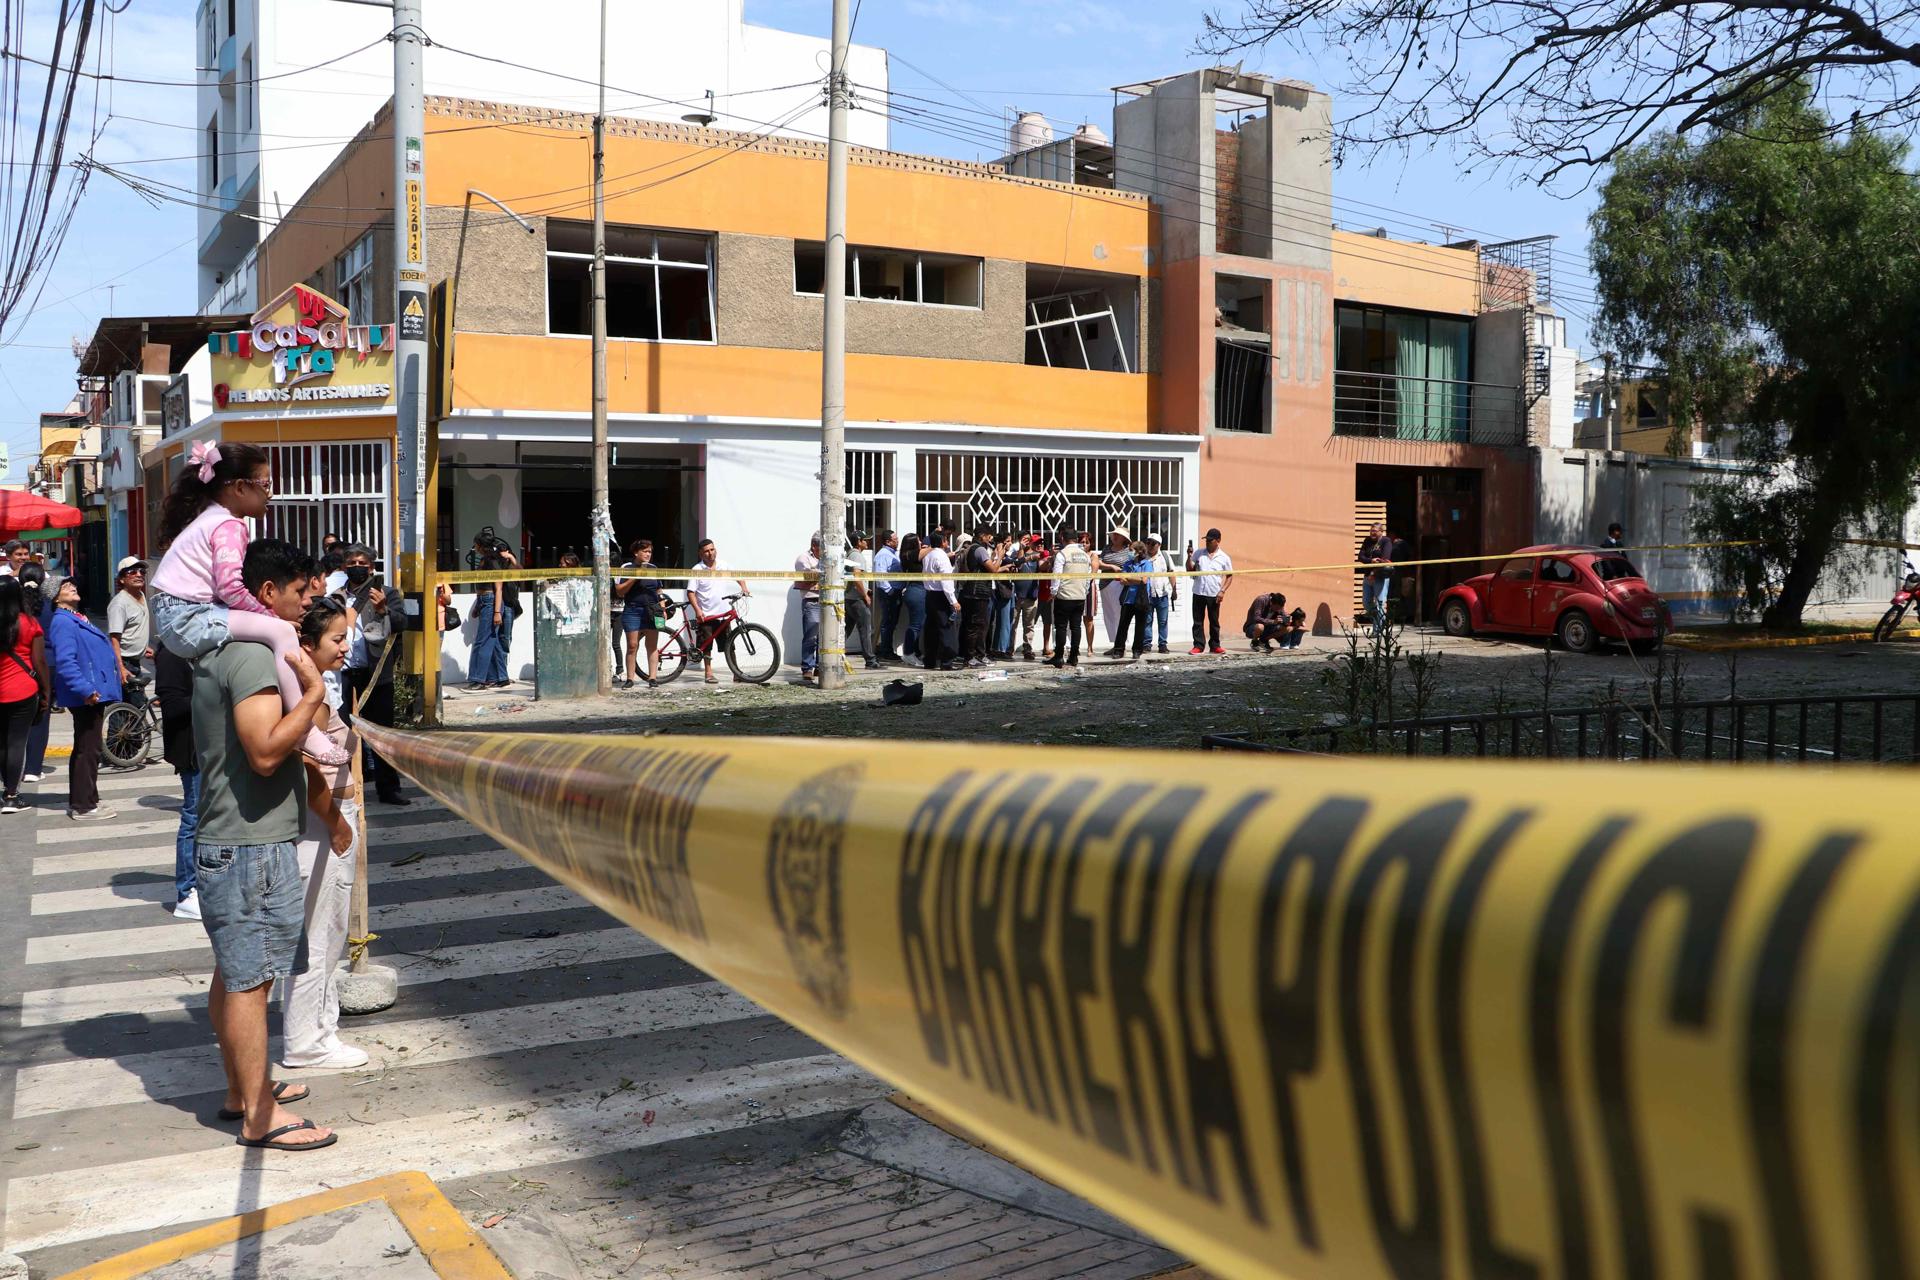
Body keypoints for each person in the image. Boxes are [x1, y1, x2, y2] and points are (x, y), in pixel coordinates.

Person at [192, 538, 335, 1151]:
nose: (310, 603)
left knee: (235, 973)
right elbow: (268, 751)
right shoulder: (252, 656)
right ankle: (258, 1115)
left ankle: (241, 1090)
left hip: (242, 838)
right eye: (302, 592)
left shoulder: (234, 648)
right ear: (266, 593)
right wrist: (312, 696)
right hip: (247, 845)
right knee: (252, 981)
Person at [146, 441, 343, 766]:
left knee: (275, 630)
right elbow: (230, 586)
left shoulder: (210, 518)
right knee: (280, 632)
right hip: (189, 617)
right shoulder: (229, 526)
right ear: (239, 487)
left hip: (180, 615)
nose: (270, 493)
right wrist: (268, 616)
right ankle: (305, 730)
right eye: (265, 484)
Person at [281, 595, 369, 1070]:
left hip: (329, 819)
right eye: (336, 639)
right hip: (323, 822)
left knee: (328, 935)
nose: (344, 647)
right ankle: (306, 1042)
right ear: (307, 643)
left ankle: (321, 1030)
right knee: (320, 937)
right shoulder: (307, 699)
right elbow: (307, 766)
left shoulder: (310, 689)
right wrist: (336, 824)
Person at [47, 579, 120, 821]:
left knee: (89, 747)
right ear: (56, 598)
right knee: (88, 748)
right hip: (87, 695)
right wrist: (85, 689)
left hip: (93, 691)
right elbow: (66, 663)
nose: (73, 588)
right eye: (66, 588)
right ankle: (83, 805)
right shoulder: (62, 621)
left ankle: (89, 798)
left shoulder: (75, 617)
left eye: (72, 585)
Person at [338, 545, 406, 804]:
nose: (357, 566)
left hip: (376, 672)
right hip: (344, 672)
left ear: (371, 566)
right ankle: (345, 787)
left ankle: (388, 788)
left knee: (381, 732)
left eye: (362, 562)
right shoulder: (337, 596)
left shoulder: (387, 593)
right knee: (342, 731)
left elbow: (403, 623)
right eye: (352, 561)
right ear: (345, 567)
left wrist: (383, 610)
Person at [154, 645, 203, 918]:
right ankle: (186, 891)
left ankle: (201, 883)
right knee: (193, 818)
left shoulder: (195, 651)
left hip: (205, 749)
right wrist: (211, 696)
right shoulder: (172, 655)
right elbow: (172, 706)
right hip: (191, 751)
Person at [0, 577, 48, 814]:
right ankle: (11, 794)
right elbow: (39, 661)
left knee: (2, 743)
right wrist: (46, 691)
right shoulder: (28, 623)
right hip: (23, 689)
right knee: (17, 742)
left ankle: (5, 789)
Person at [687, 538, 750, 685]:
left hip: (723, 614)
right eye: (706, 551)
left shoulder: (723, 565)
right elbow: (691, 592)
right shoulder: (697, 570)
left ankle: (736, 673)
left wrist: (744, 587)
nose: (710, 553)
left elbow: (737, 575)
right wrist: (697, 610)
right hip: (707, 614)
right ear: (700, 554)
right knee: (706, 646)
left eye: (712, 549)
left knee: (729, 644)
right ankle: (708, 674)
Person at [466, 537, 520, 689]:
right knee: (493, 641)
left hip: (490, 601)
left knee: (482, 641)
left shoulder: (492, 561)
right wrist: (478, 604)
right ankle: (501, 677)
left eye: (476, 544)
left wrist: (497, 611)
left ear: (481, 546)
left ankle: (479, 679)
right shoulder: (485, 560)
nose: (474, 547)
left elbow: (499, 587)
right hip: (485, 600)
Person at [16, 564, 53, 784]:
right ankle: (33, 767)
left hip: (20, 667)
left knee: (17, 719)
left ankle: (14, 767)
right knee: (42, 716)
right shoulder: (51, 606)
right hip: (50, 664)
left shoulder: (13, 607)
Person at [615, 539, 665, 688]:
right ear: (636, 552)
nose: (648, 554)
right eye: (645, 551)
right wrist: (635, 576)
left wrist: (662, 608)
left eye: (650, 551)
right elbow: (620, 591)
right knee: (632, 645)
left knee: (652, 644)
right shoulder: (626, 567)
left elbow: (659, 590)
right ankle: (630, 678)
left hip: (653, 609)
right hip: (633, 610)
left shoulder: (653, 568)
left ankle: (653, 678)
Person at [105, 556, 154, 692]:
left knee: (135, 707)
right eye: (132, 572)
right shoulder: (119, 604)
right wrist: (121, 667)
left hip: (135, 661)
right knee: (134, 706)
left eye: (142, 572)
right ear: (122, 579)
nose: (139, 575)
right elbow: (114, 639)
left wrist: (143, 646)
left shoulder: (141, 595)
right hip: (125, 662)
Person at [1049, 530, 1093, 668]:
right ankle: (1074, 657)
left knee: (1061, 627)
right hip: (1079, 596)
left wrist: (1053, 592)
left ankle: (1059, 657)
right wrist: (1084, 591)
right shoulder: (1085, 556)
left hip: (1064, 596)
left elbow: (1057, 576)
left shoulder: (1062, 554)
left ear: (1062, 538)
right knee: (1076, 627)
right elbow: (1088, 576)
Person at [1188, 528, 1234, 654]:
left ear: (1218, 541)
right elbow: (1190, 569)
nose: (1207, 542)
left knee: (1214, 621)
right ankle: (1198, 645)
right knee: (1197, 621)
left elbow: (1229, 576)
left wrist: (1222, 591)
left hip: (1214, 593)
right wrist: (1189, 556)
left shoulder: (1224, 557)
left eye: (1210, 540)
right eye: (1206, 540)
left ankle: (1215, 645)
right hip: (1198, 592)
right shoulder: (1199, 553)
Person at [920, 529, 960, 671]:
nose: (947, 542)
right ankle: (946, 661)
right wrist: (953, 600)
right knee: (946, 629)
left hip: (930, 595)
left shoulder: (928, 555)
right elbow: (946, 581)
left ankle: (930, 660)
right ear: (942, 542)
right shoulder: (941, 556)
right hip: (941, 595)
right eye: (946, 540)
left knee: (931, 629)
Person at [958, 524, 996, 667]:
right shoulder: (979, 549)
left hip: (969, 591)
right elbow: (992, 569)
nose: (990, 539)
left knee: (973, 625)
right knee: (975, 626)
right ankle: (970, 657)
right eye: (988, 536)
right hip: (977, 592)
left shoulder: (969, 548)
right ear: (982, 536)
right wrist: (1000, 555)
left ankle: (976, 655)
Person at [1111, 540, 1156, 658]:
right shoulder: (1128, 564)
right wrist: (1138, 579)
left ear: (1139, 551)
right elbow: (1122, 580)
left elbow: (1145, 580)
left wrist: (1131, 578)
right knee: (1123, 625)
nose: (1129, 552)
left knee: (1140, 626)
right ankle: (1119, 650)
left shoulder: (1147, 564)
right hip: (1128, 599)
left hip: (1141, 599)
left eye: (1131, 550)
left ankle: (1137, 650)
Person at [846, 530, 880, 670]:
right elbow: (856, 576)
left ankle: (833, 654)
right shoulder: (857, 556)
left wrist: (866, 590)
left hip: (850, 597)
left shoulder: (851, 554)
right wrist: (864, 595)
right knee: (865, 629)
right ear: (859, 541)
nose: (868, 542)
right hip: (856, 599)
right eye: (865, 540)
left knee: (846, 630)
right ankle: (870, 660)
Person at [792, 535, 823, 683]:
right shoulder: (803, 558)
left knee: (823, 637)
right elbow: (807, 576)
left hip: (826, 600)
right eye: (822, 548)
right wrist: (821, 573)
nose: (824, 552)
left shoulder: (826, 559)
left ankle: (819, 666)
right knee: (811, 637)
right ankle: (807, 668)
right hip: (811, 600)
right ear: (814, 547)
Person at [1013, 535, 1046, 660]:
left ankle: (1027, 648)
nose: (1038, 545)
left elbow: (1043, 567)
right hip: (1017, 594)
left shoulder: (1038, 557)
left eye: (1040, 543)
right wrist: (1021, 549)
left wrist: (1047, 557)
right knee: (1013, 624)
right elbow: (1018, 565)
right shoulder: (1017, 553)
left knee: (1029, 625)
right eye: (1036, 542)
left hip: (1031, 596)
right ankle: (1009, 648)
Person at [1359, 522, 1395, 635]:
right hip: (1367, 576)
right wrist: (1371, 561)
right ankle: (1377, 621)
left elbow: (1385, 559)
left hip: (1379, 577)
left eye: (1374, 531)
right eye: (1371, 531)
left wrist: (1373, 573)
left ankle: (1378, 630)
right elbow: (1361, 557)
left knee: (1380, 603)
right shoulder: (1367, 541)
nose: (1372, 533)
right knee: (1366, 603)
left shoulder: (1386, 541)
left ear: (1381, 531)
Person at [1144, 534, 1178, 654]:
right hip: (1148, 594)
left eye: (1153, 543)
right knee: (1147, 620)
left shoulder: (1165, 556)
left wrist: (1174, 590)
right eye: (1148, 542)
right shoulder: (1143, 557)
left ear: (1159, 545)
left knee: (1163, 621)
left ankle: (1162, 644)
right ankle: (1147, 644)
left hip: (1162, 594)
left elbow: (1171, 573)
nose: (1150, 546)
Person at [872, 530, 902, 662]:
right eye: (895, 539)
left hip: (894, 592)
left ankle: (887, 648)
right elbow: (880, 575)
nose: (897, 540)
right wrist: (889, 590)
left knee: (892, 622)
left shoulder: (893, 554)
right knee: (888, 622)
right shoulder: (882, 555)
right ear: (888, 541)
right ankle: (885, 651)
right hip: (888, 593)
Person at [1099, 529, 1132, 646]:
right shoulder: (1107, 548)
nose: (1115, 537)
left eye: (1118, 535)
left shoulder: (1128, 551)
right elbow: (1098, 563)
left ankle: (1121, 643)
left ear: (1124, 538)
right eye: (1114, 534)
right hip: (1104, 584)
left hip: (1119, 584)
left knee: (1119, 614)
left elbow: (1131, 566)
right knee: (1108, 615)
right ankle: (1115, 643)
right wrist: (1111, 566)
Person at [897, 533, 926, 660]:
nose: (920, 542)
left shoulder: (910, 554)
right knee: (915, 625)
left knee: (919, 623)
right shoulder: (909, 555)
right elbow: (928, 551)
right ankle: (908, 653)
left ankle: (915, 651)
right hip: (916, 590)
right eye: (918, 540)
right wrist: (934, 546)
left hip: (918, 590)